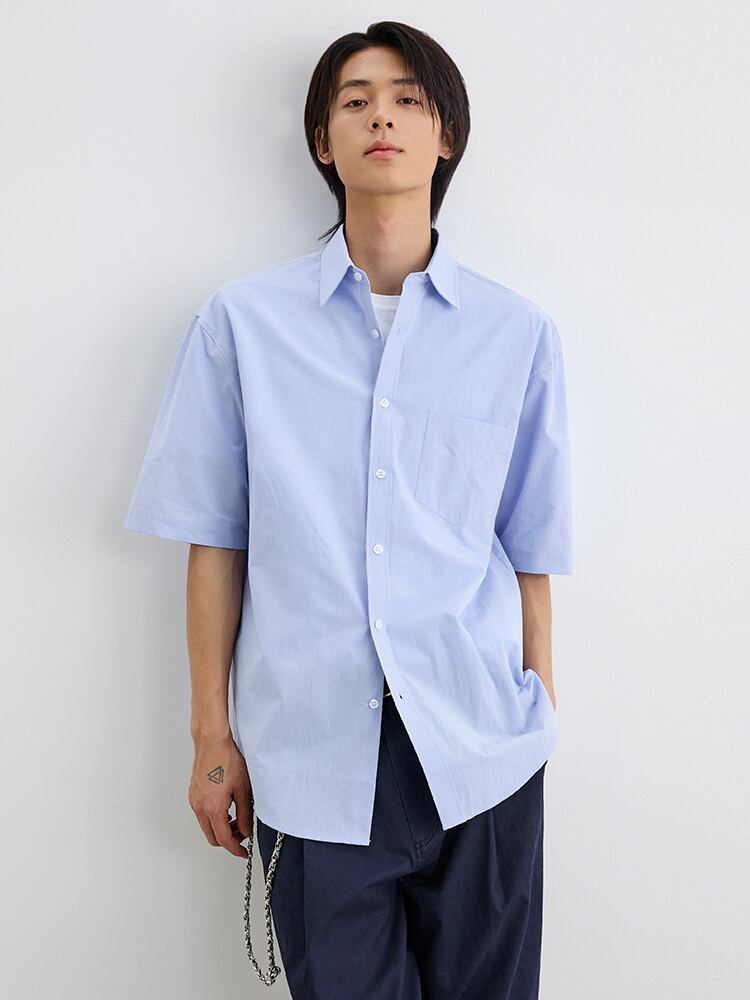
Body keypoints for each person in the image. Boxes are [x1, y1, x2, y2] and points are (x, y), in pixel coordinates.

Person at [123, 19, 573, 1000]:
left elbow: (531, 547)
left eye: (410, 99)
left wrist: (538, 708)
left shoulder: (516, 334)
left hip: (481, 754)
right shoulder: (242, 325)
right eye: (355, 100)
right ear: (322, 142)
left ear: (447, 135)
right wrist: (210, 738)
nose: (382, 117)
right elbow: (217, 541)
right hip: (312, 760)